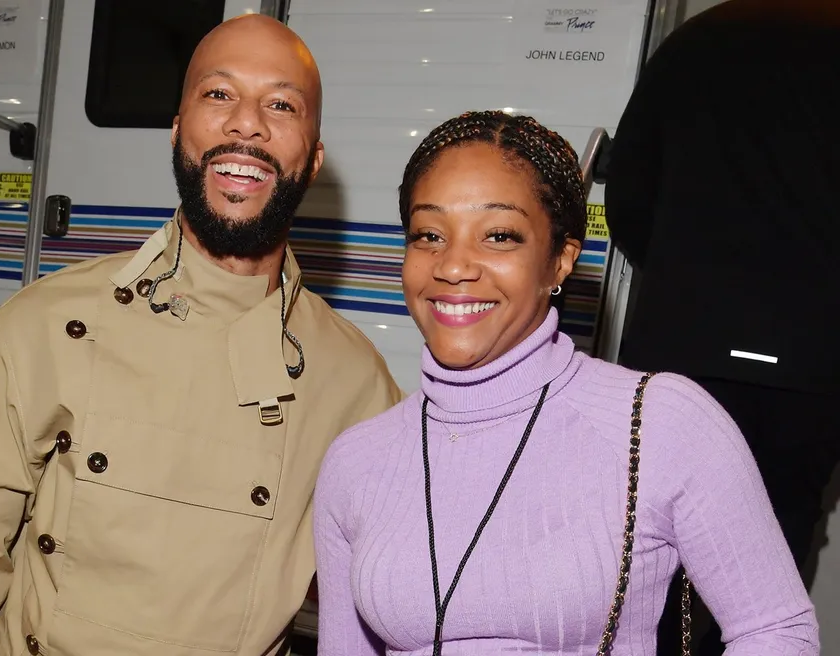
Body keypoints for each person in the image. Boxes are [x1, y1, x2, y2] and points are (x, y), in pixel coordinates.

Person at [0, 14, 402, 656]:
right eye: (219, 94)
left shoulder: (355, 382)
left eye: (281, 104)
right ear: (178, 130)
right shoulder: (41, 327)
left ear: (313, 157)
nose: (247, 122)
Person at [311, 110, 819, 655]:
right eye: (429, 234)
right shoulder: (355, 463)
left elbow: (775, 632)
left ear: (560, 261)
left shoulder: (661, 424)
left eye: (499, 236)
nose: (453, 266)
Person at [603, 0, 839, 652]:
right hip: (808, 365)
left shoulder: (695, 41)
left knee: (647, 547)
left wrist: (684, 284)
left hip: (684, 347)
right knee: (774, 555)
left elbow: (627, 196)